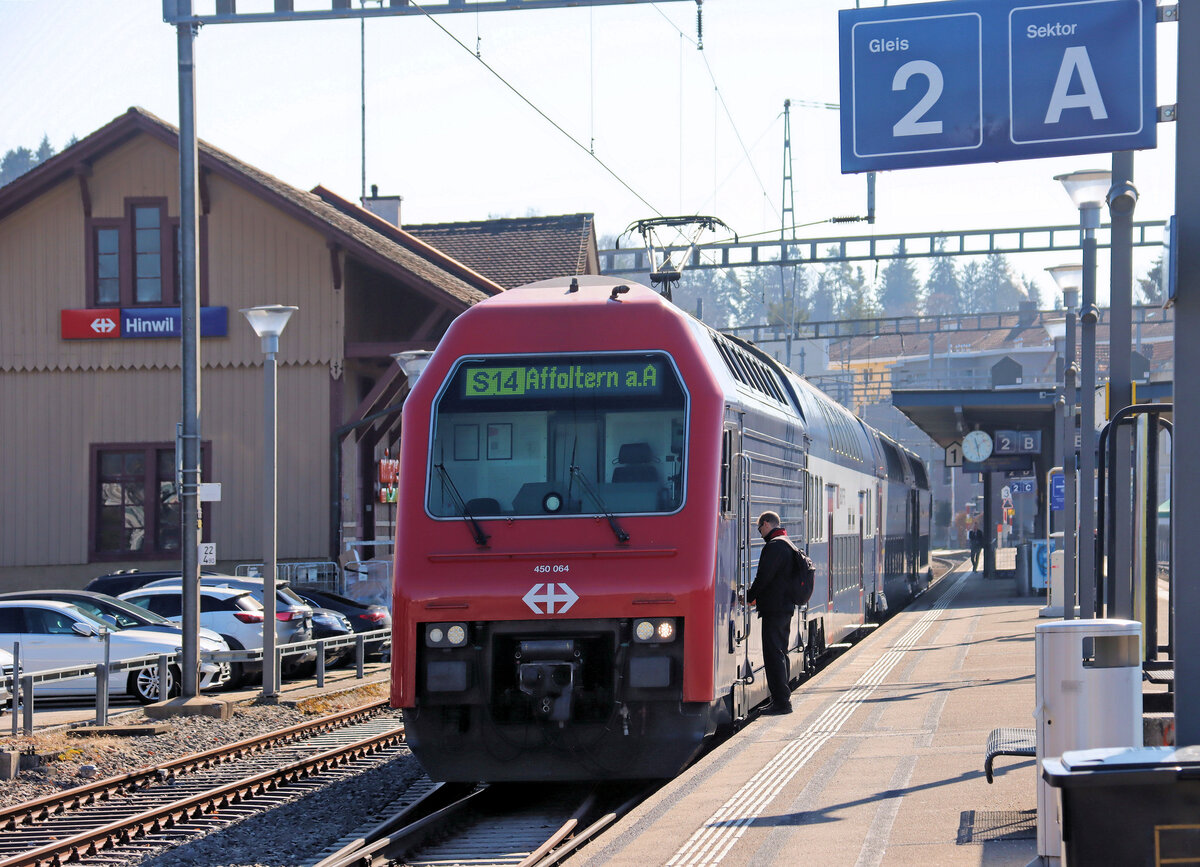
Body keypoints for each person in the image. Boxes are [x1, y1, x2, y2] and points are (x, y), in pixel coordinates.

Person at [747, 510, 797, 716]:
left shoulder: (775, 547)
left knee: (773, 655)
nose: (760, 534)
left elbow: (763, 577)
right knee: (780, 653)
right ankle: (781, 698)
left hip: (775, 609)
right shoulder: (787, 543)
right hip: (784, 608)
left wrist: (750, 595)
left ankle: (782, 703)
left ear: (766, 524)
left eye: (760, 528)